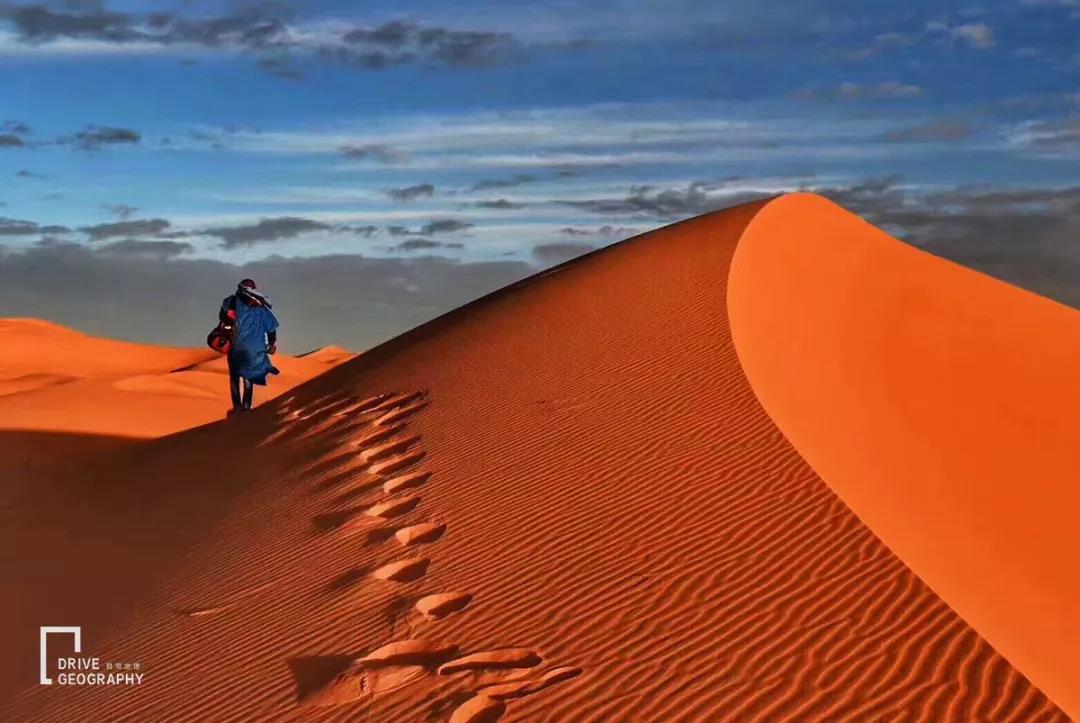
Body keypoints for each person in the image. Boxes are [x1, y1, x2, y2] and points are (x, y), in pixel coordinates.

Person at [219, 278, 280, 412]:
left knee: (234, 376)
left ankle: (237, 406)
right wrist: (271, 343)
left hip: (236, 346)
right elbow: (271, 328)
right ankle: (246, 407)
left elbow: (222, 318)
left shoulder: (230, 301)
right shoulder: (260, 306)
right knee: (248, 377)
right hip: (255, 348)